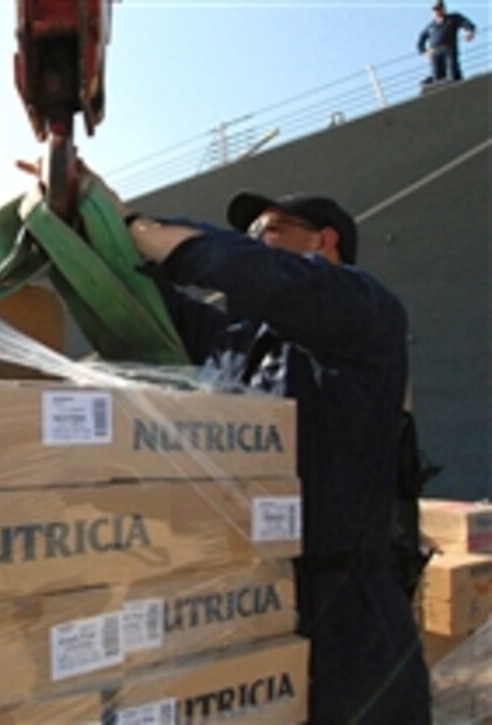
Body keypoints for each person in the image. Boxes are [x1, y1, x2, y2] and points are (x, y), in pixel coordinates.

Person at [114, 188, 430, 723]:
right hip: (256, 602)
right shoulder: (243, 345)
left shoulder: (367, 312)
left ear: (324, 241)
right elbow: (157, 309)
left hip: (349, 616)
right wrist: (88, 229)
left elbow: (262, 276)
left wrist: (138, 225)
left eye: (270, 229)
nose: (255, 241)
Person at [417, 1, 477, 83]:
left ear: (443, 8)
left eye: (439, 8)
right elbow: (421, 40)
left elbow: (465, 23)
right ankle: (436, 82)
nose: (437, 11)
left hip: (448, 48)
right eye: (435, 10)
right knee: (437, 75)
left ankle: (456, 82)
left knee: (452, 70)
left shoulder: (452, 18)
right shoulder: (431, 26)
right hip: (435, 52)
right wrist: (424, 51)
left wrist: (470, 31)